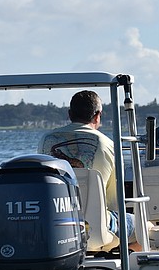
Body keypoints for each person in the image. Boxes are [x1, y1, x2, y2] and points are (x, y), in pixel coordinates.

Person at [38, 90, 140, 251]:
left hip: (55, 228)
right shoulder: (107, 144)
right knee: (145, 226)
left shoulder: (46, 140)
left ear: (70, 114)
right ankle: (123, 268)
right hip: (96, 230)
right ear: (98, 115)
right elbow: (114, 202)